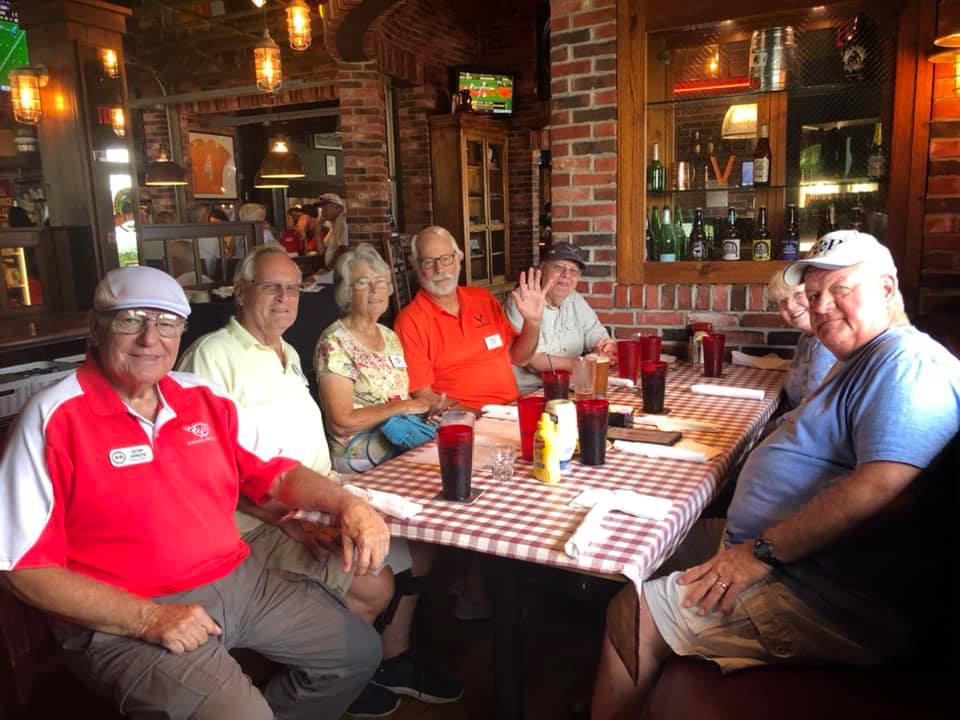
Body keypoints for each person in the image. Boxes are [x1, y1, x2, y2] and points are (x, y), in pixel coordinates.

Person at [592, 230, 960, 719]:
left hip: (830, 596)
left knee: (630, 610)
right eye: (815, 294)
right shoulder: (864, 358)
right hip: (794, 559)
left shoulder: (908, 363)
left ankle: (628, 672)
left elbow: (885, 490)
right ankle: (625, 682)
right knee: (645, 546)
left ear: (887, 288)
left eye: (840, 289)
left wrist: (759, 554)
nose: (822, 306)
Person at [0, 265, 390, 720]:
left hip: (239, 579)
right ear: (96, 327)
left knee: (357, 653)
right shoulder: (51, 417)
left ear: (181, 332)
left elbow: (279, 475)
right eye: (131, 319)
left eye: (167, 323)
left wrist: (350, 504)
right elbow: (20, 568)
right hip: (126, 611)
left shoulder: (203, 396)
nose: (150, 338)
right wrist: (147, 618)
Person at [180, 245, 460, 716]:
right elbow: (210, 467)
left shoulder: (286, 352)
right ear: (241, 292)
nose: (284, 298)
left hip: (316, 497)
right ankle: (337, 672)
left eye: (292, 289)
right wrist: (287, 519)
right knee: (376, 581)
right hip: (258, 522)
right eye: (271, 287)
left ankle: (358, 668)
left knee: (391, 569)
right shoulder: (212, 356)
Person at [394, 225, 553, 412]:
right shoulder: (410, 321)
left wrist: (532, 323)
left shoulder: (483, 298)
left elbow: (520, 358)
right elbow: (424, 397)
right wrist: (478, 416)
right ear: (417, 267)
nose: (439, 269)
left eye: (446, 259)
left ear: (458, 259)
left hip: (511, 410)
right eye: (428, 262)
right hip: (464, 420)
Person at [315, 243, 436, 472]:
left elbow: (397, 397)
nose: (374, 289)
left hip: (402, 445)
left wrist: (425, 411)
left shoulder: (389, 336)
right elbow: (341, 421)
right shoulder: (335, 342)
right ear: (346, 293)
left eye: (380, 281)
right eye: (363, 282)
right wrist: (403, 407)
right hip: (362, 459)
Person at [506, 241, 616, 394]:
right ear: (543, 268)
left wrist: (605, 348)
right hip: (531, 392)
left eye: (573, 271)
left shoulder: (575, 299)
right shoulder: (524, 299)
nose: (566, 275)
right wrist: (581, 365)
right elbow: (533, 361)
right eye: (559, 268)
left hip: (569, 386)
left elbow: (598, 337)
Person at [766, 269, 835, 409]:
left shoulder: (825, 346)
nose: (790, 306)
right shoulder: (806, 338)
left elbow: (814, 410)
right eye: (782, 301)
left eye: (797, 294)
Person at [317, 193, 348, 268]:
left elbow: (343, 249)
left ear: (338, 208)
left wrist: (328, 269)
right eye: (322, 209)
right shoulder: (334, 224)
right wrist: (317, 228)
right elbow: (322, 251)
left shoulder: (341, 221)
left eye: (326, 209)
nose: (322, 212)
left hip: (337, 271)